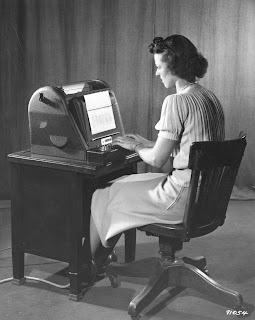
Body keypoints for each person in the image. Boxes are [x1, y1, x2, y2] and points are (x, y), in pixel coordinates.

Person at [83, 34, 225, 283]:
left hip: (181, 197)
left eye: (159, 67)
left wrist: (137, 147)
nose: (157, 73)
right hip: (206, 197)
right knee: (123, 185)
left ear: (175, 67)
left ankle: (89, 267)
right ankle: (100, 258)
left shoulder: (176, 101)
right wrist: (148, 143)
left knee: (105, 192)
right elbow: (192, 147)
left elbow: (157, 161)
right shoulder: (209, 98)